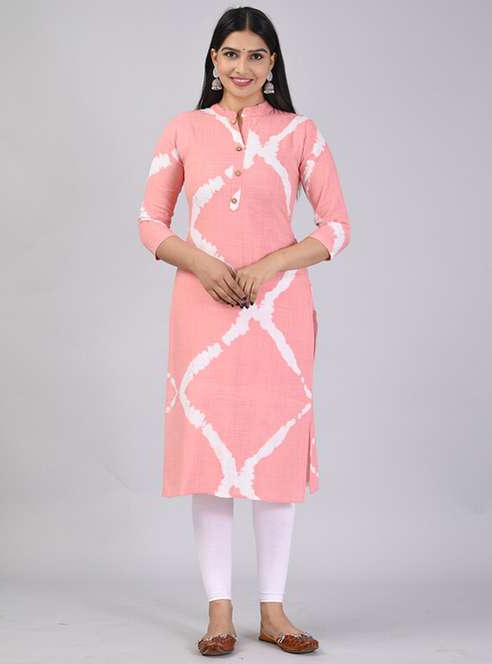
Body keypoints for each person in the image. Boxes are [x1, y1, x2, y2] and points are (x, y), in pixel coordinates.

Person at [137, 6, 351, 656]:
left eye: (256, 55)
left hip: (277, 315)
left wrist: (268, 266)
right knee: (210, 462)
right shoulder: (183, 129)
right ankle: (219, 612)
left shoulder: (300, 133)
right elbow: (149, 222)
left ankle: (274, 611)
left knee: (273, 462)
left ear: (272, 63)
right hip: (201, 313)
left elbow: (337, 227)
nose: (242, 66)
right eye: (231, 53)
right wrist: (203, 264)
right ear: (213, 59)